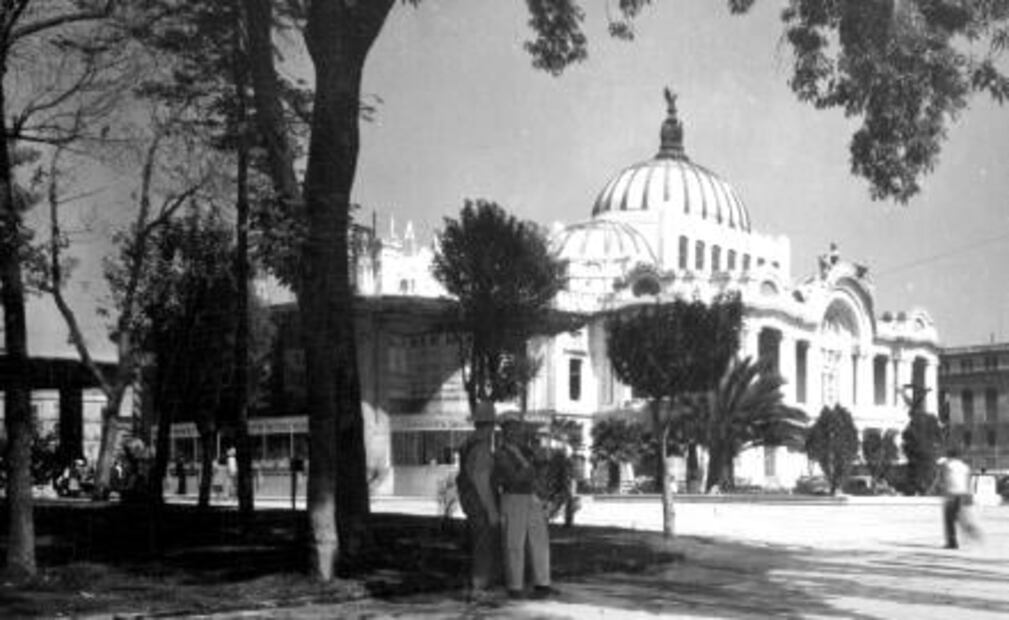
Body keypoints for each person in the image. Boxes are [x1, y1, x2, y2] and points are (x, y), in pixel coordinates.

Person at [494, 409, 557, 600]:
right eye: (512, 428)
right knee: (515, 543)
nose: (517, 432)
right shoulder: (501, 453)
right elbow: (514, 479)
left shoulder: (527, 451)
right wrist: (529, 467)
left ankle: (542, 583)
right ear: (505, 431)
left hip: (532, 497)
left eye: (518, 427)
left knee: (540, 541)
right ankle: (515, 586)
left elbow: (539, 473)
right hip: (513, 498)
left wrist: (540, 482)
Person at [456, 401, 501, 600]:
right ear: (490, 424)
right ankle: (480, 586)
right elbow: (482, 481)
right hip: (479, 502)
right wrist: (492, 510)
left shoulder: (468, 443)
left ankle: (477, 584)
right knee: (483, 544)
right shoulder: (482, 448)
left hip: (469, 500)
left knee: (477, 542)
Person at [937, 447, 981, 549]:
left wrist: (943, 490)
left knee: (949, 520)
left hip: (951, 494)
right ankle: (973, 532)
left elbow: (942, 474)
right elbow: (968, 481)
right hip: (963, 494)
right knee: (962, 518)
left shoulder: (948, 465)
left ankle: (952, 542)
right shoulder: (965, 466)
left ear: (950, 455)